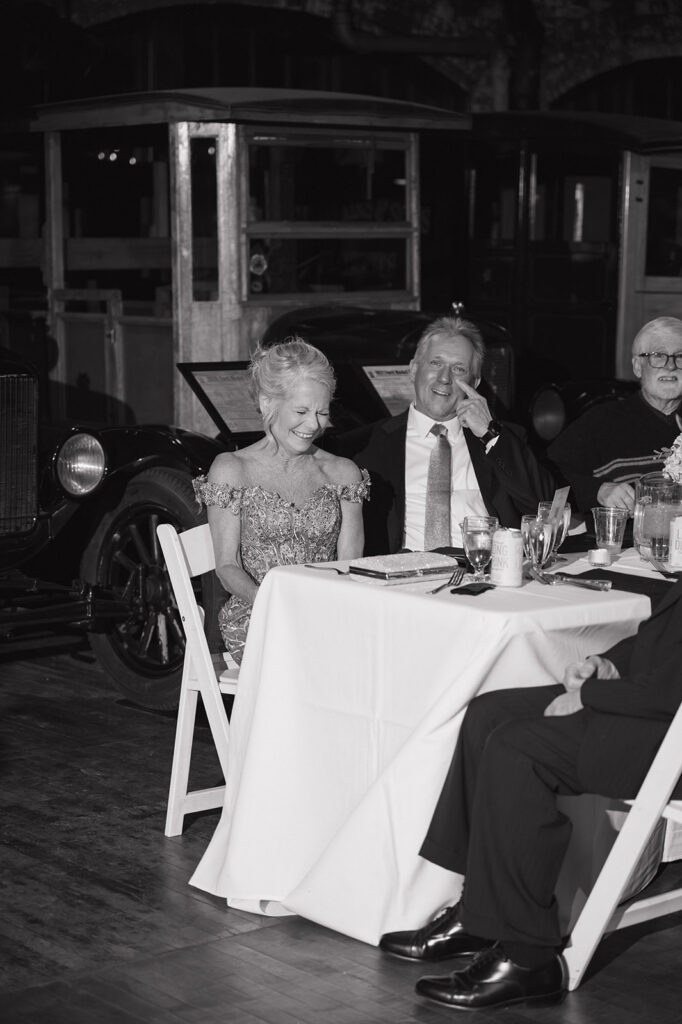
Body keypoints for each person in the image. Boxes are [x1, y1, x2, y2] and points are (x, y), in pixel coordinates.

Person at [378, 577, 682, 1010]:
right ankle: (480, 913)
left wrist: (593, 696)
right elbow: (666, 642)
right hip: (654, 709)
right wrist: (606, 664)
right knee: (488, 714)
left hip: (668, 737)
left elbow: (670, 691)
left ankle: (528, 957)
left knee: (517, 748)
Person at [194, 338, 369, 664]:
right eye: (301, 411)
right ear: (266, 403)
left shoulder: (343, 473)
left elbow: (351, 565)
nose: (313, 424)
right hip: (258, 616)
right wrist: (271, 603)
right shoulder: (232, 469)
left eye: (322, 412)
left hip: (329, 613)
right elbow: (227, 566)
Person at [339, 315, 556, 555]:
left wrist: (490, 434)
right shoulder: (365, 446)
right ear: (413, 370)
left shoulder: (499, 441)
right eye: (435, 363)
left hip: (485, 575)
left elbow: (544, 509)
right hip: (404, 579)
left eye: (459, 369)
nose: (445, 378)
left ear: (474, 382)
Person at [548, 316, 682, 518]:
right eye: (658, 356)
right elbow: (547, 475)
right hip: (624, 544)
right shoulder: (601, 421)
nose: (670, 366)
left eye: (680, 357)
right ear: (638, 366)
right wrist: (598, 490)